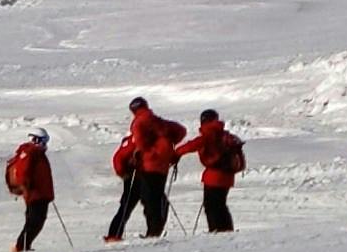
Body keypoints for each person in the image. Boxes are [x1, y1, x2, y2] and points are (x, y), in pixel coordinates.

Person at [103, 95, 186, 240]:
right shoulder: (162, 125)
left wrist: (122, 172)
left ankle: (114, 235)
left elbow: (119, 157)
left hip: (138, 172)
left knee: (127, 205)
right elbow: (181, 131)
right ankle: (155, 231)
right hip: (160, 170)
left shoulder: (138, 127)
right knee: (157, 202)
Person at [175, 107, 246, 231]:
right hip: (228, 175)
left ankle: (215, 230)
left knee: (211, 206)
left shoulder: (209, 133)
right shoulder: (225, 134)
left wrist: (176, 153)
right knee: (221, 205)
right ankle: (226, 230)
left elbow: (193, 145)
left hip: (214, 176)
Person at [4, 128, 55, 252]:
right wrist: (27, 187)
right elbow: (22, 172)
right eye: (44, 140)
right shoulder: (30, 153)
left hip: (40, 193)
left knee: (35, 221)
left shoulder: (36, 153)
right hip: (35, 194)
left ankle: (23, 246)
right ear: (36, 139)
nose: (45, 144)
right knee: (34, 221)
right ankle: (21, 247)